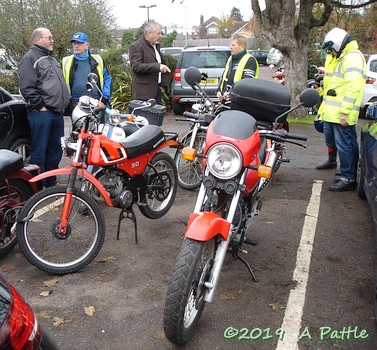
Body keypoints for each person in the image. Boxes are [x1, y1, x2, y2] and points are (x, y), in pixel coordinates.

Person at [18, 27, 69, 188]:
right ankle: (37, 187)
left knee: (55, 150)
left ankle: (50, 182)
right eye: (49, 37)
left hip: (56, 112)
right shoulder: (30, 58)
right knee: (40, 151)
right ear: (39, 39)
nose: (52, 40)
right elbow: (27, 87)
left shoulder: (51, 58)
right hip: (41, 113)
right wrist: (40, 106)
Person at [318, 27, 366, 191]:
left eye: (331, 48)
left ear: (338, 43)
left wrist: (345, 111)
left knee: (345, 144)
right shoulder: (345, 56)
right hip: (336, 112)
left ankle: (348, 178)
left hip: (342, 113)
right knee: (347, 143)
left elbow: (353, 87)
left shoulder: (352, 58)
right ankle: (350, 173)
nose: (331, 52)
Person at [62, 32, 112, 115]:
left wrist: (105, 97)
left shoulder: (98, 60)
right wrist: (69, 100)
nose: (76, 46)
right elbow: (61, 83)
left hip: (97, 103)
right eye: (74, 43)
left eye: (79, 43)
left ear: (87, 45)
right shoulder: (66, 61)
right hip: (75, 104)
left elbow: (107, 78)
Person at [129, 21, 171, 104]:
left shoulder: (155, 47)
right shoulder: (136, 46)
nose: (160, 36)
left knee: (157, 116)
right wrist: (157, 67)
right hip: (143, 94)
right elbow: (136, 66)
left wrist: (163, 84)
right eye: (158, 33)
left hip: (156, 91)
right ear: (149, 33)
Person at [216, 34, 259, 101]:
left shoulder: (250, 59)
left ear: (242, 46)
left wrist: (230, 92)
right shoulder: (231, 58)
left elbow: (246, 82)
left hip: (241, 100)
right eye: (230, 45)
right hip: (227, 99)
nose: (230, 47)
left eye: (233, 45)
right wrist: (219, 90)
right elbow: (224, 77)